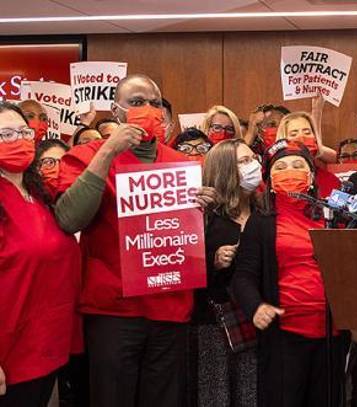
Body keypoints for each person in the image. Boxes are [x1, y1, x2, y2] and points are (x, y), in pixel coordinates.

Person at [53, 74, 216, 407]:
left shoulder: (181, 164)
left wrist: (202, 209)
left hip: (170, 305)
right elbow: (70, 219)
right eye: (137, 102)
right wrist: (109, 150)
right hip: (114, 309)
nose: (149, 110)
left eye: (155, 103)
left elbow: (185, 236)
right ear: (116, 111)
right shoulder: (85, 156)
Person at [232, 139, 346, 407]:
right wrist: (256, 306)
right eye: (281, 167)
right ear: (269, 180)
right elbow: (243, 276)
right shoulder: (261, 221)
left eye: (298, 165)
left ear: (310, 176)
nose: (290, 171)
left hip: (331, 336)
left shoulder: (332, 216)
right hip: (284, 336)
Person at [0, 102, 81, 406]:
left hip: (46, 346)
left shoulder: (40, 194)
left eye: (22, 132)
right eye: (5, 134)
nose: (18, 140)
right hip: (9, 354)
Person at [190, 139, 259, 406]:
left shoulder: (263, 211)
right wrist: (214, 261)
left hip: (256, 319)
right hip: (214, 323)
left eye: (253, 158)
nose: (253, 165)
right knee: (215, 397)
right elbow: (183, 267)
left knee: (251, 394)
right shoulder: (204, 217)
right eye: (243, 162)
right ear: (225, 170)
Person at [275, 112, 340, 196]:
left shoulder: (331, 181)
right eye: (294, 134)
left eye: (307, 133)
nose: (302, 138)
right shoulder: (274, 181)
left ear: (315, 138)